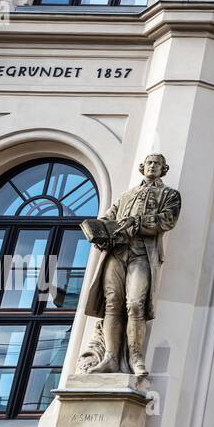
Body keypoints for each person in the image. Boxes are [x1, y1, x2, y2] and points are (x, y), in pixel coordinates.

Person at [81, 153, 181, 376]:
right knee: (111, 304)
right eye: (150, 163)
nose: (153, 166)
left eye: (158, 164)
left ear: (164, 169)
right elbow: (108, 219)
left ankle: (135, 357)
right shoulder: (127, 195)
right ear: (142, 167)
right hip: (116, 253)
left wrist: (137, 222)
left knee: (136, 304)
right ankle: (111, 357)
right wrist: (99, 234)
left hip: (142, 254)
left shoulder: (169, 194)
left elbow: (167, 220)